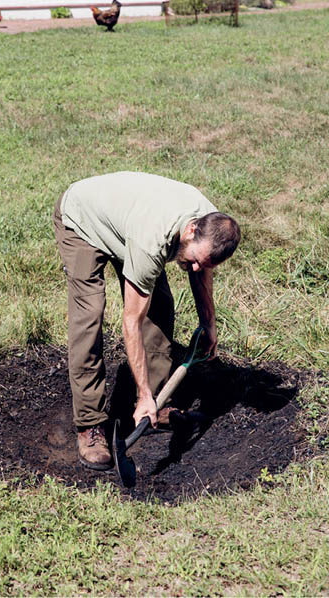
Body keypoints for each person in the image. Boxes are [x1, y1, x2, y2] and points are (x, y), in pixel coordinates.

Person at [53, 171, 241, 470]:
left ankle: (155, 401)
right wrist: (141, 395)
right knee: (89, 317)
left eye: (201, 263)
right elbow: (131, 322)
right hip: (83, 220)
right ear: (191, 230)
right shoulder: (151, 239)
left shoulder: (210, 224)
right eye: (192, 259)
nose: (193, 267)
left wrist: (209, 325)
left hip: (125, 222)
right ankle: (90, 424)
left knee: (161, 306)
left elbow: (201, 271)